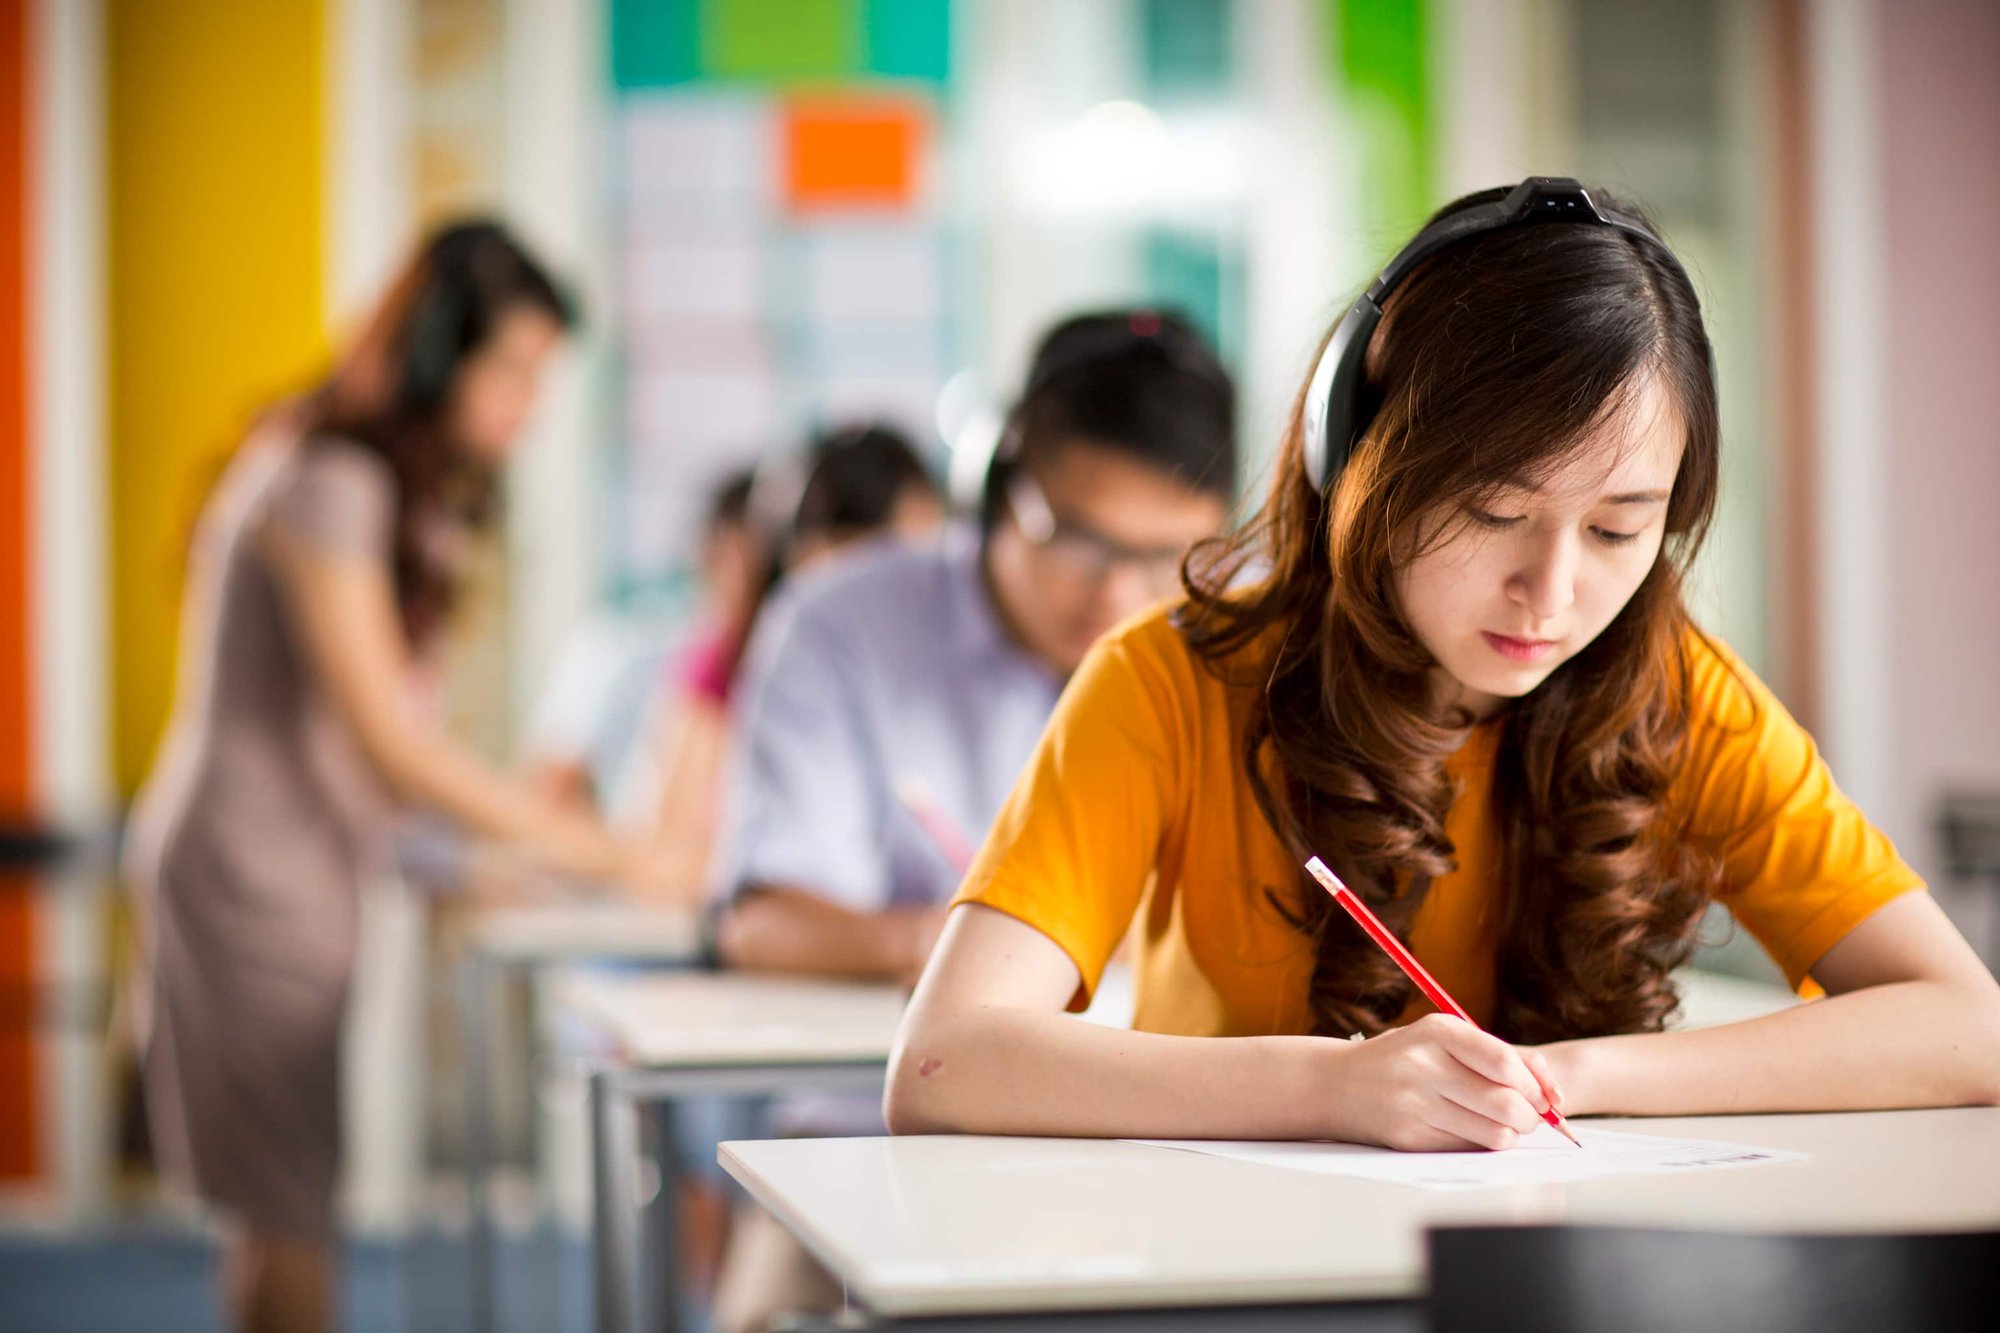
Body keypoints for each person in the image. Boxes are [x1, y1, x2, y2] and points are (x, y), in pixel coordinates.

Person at [885, 180, 2000, 1152]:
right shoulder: (1173, 679)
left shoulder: (1676, 693)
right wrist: (1331, 1089)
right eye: (1493, 513)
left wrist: (1574, 1076)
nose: (1551, 591)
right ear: (1356, 463)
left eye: (1617, 530)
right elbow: (944, 1062)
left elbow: (1968, 1027)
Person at [125, 221, 659, 1333]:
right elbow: (389, 744)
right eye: (510, 369)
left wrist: (460, 857)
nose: (529, 405)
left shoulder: (368, 483)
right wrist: (608, 852)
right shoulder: (331, 478)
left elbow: (355, 744)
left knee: (279, 1203)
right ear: (436, 355)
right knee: (287, 1203)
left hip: (294, 861)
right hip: (250, 874)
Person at [704, 310, 1238, 1333]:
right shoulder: (840, 622)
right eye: (1077, 540)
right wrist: (994, 953)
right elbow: (761, 920)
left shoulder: (1231, 634)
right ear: (996, 486)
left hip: (1173, 1156)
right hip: (877, 1153)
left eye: (1165, 553)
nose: (1118, 593)